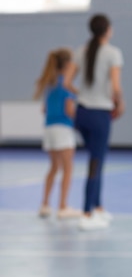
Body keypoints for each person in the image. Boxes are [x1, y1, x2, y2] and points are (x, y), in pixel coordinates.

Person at [65, 13, 125, 230]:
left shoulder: (80, 51)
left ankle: (98, 207)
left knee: (96, 160)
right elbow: (116, 87)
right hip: (100, 114)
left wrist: (82, 94)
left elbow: (67, 82)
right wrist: (120, 102)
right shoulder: (113, 53)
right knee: (96, 162)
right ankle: (87, 213)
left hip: (82, 113)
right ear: (107, 30)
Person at [33, 48, 82, 219]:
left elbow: (45, 108)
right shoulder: (66, 85)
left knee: (54, 167)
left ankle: (45, 204)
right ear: (68, 65)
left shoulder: (49, 84)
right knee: (68, 168)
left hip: (49, 129)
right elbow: (69, 110)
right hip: (63, 129)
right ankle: (63, 206)